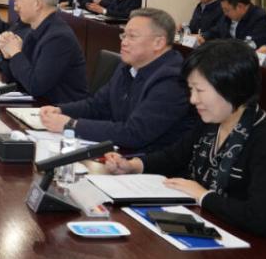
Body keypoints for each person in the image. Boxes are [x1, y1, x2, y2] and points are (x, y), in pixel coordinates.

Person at [104, 40, 266, 251]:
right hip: (214, 231)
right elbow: (174, 156)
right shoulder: (211, 123)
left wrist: (203, 195)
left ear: (231, 87)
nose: (193, 100)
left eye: (199, 90)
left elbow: (262, 217)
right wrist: (133, 165)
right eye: (191, 90)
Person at [39, 8, 194, 152]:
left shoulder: (172, 81)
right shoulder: (127, 66)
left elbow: (134, 133)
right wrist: (60, 110)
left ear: (158, 42)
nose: (124, 42)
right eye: (124, 35)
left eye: (132, 36)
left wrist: (72, 125)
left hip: (148, 163)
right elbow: (97, 105)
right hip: (120, 153)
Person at [0, 0, 87, 103]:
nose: (16, 3)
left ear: (37, 4)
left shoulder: (58, 37)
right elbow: (19, 76)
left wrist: (15, 53)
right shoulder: (36, 30)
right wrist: (8, 56)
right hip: (40, 104)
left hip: (59, 108)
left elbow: (35, 86)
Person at [201, 0, 266, 48]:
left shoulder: (260, 18)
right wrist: (202, 37)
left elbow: (251, 44)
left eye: (227, 10)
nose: (225, 13)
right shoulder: (227, 17)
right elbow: (215, 31)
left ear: (240, 6)